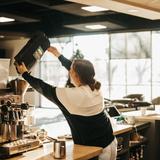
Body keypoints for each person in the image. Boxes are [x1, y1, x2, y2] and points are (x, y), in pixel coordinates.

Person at [15, 46, 117, 160]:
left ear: (76, 76)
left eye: (71, 72)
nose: (69, 74)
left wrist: (25, 74)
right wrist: (57, 54)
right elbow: (77, 70)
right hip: (111, 143)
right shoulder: (95, 86)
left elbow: (43, 88)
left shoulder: (73, 95)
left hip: (97, 150)